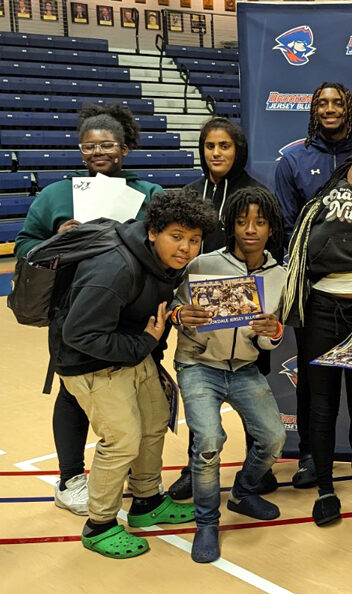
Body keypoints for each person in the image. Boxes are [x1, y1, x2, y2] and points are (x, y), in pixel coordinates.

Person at [15, 103, 164, 517]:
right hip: (73, 309)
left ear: (126, 148)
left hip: (136, 308)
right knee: (72, 390)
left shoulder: (149, 194)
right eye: (88, 146)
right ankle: (70, 479)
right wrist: (56, 239)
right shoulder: (56, 195)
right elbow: (25, 246)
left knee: (141, 386)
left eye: (107, 144)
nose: (97, 152)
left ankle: (142, 475)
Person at [56, 190, 217, 558]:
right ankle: (99, 525)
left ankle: (146, 502)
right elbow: (78, 334)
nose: (186, 248)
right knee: (122, 439)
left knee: (155, 419)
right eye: (176, 236)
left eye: (194, 240)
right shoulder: (115, 267)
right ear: (152, 232)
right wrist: (142, 344)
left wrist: (152, 336)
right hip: (89, 363)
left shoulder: (161, 262)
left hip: (132, 349)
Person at [282, 147, 352, 534]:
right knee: (322, 406)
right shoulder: (315, 209)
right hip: (320, 313)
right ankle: (325, 491)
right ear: (350, 166)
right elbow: (304, 259)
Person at [172, 187, 287, 563]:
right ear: (231, 225)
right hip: (199, 364)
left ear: (271, 228)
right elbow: (174, 303)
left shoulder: (280, 275)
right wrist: (179, 315)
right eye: (242, 221)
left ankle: (243, 491)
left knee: (273, 437)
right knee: (207, 440)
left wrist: (274, 332)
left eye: (259, 222)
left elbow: (274, 334)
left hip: (244, 368)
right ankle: (206, 522)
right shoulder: (203, 264)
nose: (250, 229)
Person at [275, 83, 352, 241]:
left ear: (348, 110)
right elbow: (286, 225)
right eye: (322, 104)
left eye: (338, 103)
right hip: (310, 261)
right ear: (315, 112)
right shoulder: (293, 161)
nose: (330, 109)